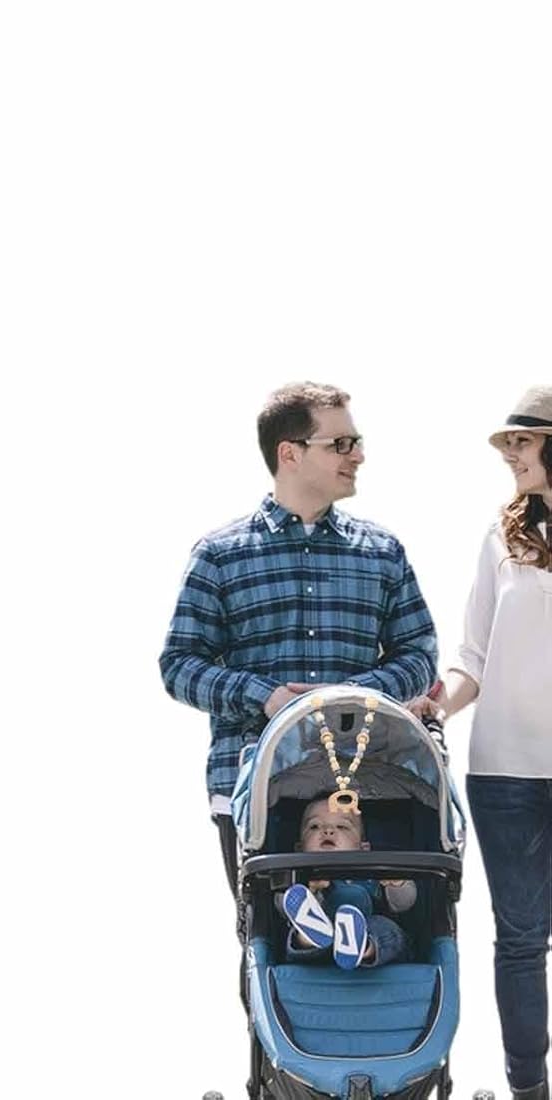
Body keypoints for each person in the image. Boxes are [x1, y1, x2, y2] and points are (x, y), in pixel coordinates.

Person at [159, 381, 438, 896]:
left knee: (391, 922)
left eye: (356, 442)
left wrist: (349, 698)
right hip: (255, 786)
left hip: (373, 781)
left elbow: (419, 656)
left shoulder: (382, 552)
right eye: (341, 444)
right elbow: (179, 665)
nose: (358, 455)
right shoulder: (220, 554)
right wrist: (265, 697)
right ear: (289, 453)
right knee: (267, 933)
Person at [407, 387, 552, 1100]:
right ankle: (530, 1087)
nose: (510, 456)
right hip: (504, 776)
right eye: (509, 444)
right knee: (521, 939)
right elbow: (474, 657)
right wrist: (436, 702)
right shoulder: (500, 537)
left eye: (522, 443)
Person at [278, 796, 416, 970]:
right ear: (299, 848)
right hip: (319, 944)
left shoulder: (372, 872)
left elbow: (404, 904)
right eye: (315, 826)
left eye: (342, 826)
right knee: (296, 926)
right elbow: (282, 902)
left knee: (388, 929)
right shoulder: (299, 875)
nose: (328, 830)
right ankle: (309, 935)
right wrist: (309, 891)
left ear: (363, 848)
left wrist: (397, 883)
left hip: (368, 929)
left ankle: (362, 946)